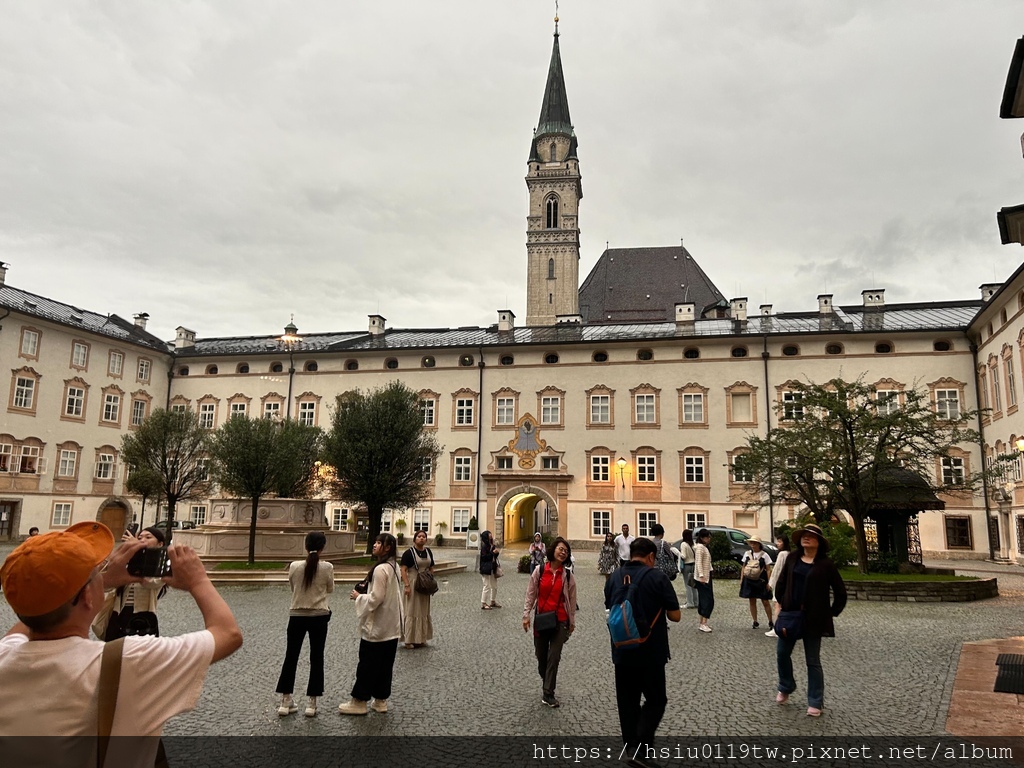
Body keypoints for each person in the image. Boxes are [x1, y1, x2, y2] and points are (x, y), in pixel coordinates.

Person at [0, 521, 242, 767]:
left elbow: (30, 618)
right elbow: (228, 634)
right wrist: (198, 580)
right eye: (97, 571)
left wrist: (100, 581)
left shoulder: (5, 655)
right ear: (87, 596)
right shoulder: (129, 661)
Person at [604, 537, 681, 762]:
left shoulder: (614, 577)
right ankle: (641, 746)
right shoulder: (657, 577)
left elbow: (610, 606)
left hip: (621, 649)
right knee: (656, 700)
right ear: (650, 557)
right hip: (651, 651)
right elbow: (675, 616)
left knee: (627, 703)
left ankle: (633, 750)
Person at [773, 523, 847, 718]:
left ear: (819, 542)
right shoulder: (792, 558)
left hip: (814, 619)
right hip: (790, 615)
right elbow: (781, 583)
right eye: (804, 535)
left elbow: (840, 592)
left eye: (811, 536)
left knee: (812, 661)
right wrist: (782, 603)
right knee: (782, 653)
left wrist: (831, 612)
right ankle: (786, 685)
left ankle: (815, 701)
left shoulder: (826, 565)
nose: (806, 538)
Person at [339, 533, 404, 715]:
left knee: (367, 664)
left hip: (378, 625)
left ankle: (359, 701)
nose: (374, 545)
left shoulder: (380, 569)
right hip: (391, 624)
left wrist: (359, 597)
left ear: (388, 547)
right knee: (385, 665)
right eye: (374, 542)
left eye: (378, 543)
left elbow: (376, 598)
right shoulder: (394, 566)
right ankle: (380, 700)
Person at [275, 531, 334, 718]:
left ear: (306, 546)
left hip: (297, 614)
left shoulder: (294, 566)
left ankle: (285, 700)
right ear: (323, 547)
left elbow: (293, 587)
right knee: (316, 657)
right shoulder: (327, 567)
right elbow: (330, 588)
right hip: (319, 615)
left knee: (291, 656)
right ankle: (312, 702)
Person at [522, 537, 577, 708]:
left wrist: (572, 621)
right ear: (553, 550)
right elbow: (531, 594)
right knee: (541, 657)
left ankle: (548, 693)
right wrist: (526, 614)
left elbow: (573, 599)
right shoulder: (539, 571)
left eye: (566, 551)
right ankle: (547, 681)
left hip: (560, 620)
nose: (563, 552)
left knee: (554, 657)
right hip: (541, 619)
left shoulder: (567, 575)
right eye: (561, 549)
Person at [95, 526, 168, 640]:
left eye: (148, 537)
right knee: (114, 652)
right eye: (140, 538)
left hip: (143, 616)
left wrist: (139, 551)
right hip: (119, 613)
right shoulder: (128, 560)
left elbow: (151, 582)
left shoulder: (161, 566)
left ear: (160, 544)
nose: (142, 540)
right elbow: (106, 586)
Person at [400, 529, 434, 648]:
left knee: (423, 610)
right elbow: (403, 570)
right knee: (411, 610)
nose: (421, 538)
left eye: (423, 536)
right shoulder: (408, 553)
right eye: (419, 536)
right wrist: (407, 585)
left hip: (424, 584)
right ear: (414, 539)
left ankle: (421, 637)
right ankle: (409, 639)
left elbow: (431, 567)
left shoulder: (428, 551)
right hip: (413, 582)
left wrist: (430, 579)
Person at [738, 536, 774, 630]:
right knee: (752, 600)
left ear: (759, 544)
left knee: (765, 601)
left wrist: (769, 582)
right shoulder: (747, 554)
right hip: (749, 580)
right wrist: (741, 579)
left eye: (754, 543)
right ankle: (755, 621)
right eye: (751, 543)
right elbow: (743, 567)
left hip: (761, 581)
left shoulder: (765, 555)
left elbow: (768, 569)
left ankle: (770, 621)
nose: (752, 545)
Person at [764, 533, 790, 637]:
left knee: (777, 605)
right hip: (787, 583)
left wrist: (771, 583)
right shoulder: (789, 553)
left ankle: (777, 628)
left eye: (780, 541)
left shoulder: (782, 554)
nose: (777, 544)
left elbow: (777, 570)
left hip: (781, 584)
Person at [693, 528, 715, 633]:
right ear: (702, 538)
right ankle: (703, 623)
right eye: (707, 537)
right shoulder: (700, 548)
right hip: (704, 577)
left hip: (706, 575)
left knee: (704, 599)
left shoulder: (703, 547)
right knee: (707, 600)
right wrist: (701, 575)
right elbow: (698, 562)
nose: (709, 539)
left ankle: (702, 621)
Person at [479, 530, 501, 609]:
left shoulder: (492, 545)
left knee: (494, 586)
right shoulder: (484, 547)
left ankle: (493, 601)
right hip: (486, 568)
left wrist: (496, 553)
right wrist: (492, 553)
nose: (491, 535)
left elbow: (494, 556)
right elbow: (484, 557)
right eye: (489, 534)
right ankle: (483, 603)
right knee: (487, 585)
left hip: (492, 567)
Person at [678, 529, 697, 609]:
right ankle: (696, 602)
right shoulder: (693, 543)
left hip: (686, 565)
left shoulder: (683, 544)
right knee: (693, 585)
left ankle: (689, 603)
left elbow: (684, 556)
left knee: (687, 585)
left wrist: (677, 552)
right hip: (693, 565)